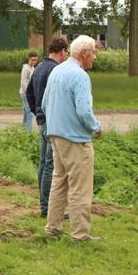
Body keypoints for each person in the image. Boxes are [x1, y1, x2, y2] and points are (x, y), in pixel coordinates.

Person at [43, 35, 102, 242]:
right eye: (93, 53)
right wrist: (96, 127)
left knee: (59, 182)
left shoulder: (57, 71)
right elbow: (84, 111)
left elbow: (44, 103)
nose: (94, 57)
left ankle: (53, 227)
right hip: (76, 139)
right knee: (80, 187)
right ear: (84, 54)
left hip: (55, 135)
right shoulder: (80, 76)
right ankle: (80, 233)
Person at [25, 37, 69, 216]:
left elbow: (29, 94)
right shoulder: (55, 69)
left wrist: (38, 113)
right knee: (51, 165)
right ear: (63, 51)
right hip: (52, 122)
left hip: (42, 121)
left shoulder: (40, 67)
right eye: (66, 52)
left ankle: (45, 206)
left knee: (43, 163)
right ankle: (48, 208)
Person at [19, 51, 38, 131]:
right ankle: (29, 132)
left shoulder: (33, 69)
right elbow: (23, 83)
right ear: (29, 59)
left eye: (36, 60)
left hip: (30, 94)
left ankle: (23, 130)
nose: (34, 62)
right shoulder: (25, 68)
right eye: (33, 60)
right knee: (29, 113)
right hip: (25, 94)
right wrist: (28, 93)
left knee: (26, 113)